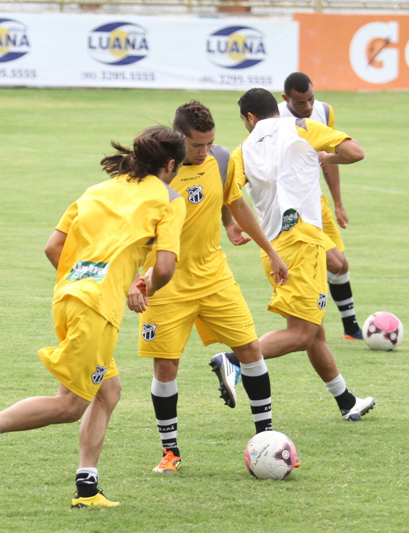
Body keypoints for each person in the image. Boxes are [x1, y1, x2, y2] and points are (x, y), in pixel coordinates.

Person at [0, 126, 188, 508]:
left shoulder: (97, 190)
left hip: (68, 298)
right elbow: (164, 266)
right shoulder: (167, 200)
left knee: (108, 391)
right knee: (70, 404)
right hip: (97, 310)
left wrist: (90, 280)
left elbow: (53, 247)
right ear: (171, 164)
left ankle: (87, 488)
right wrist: (144, 288)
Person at [128, 102, 288, 474]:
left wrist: (267, 248)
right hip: (164, 283)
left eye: (209, 143)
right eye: (195, 145)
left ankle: (265, 437)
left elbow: (235, 202)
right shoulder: (155, 175)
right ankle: (170, 452)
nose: (203, 151)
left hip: (214, 274)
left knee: (249, 348)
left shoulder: (219, 159)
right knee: (166, 366)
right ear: (176, 139)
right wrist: (132, 281)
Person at [222, 88, 375, 421]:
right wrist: (325, 157)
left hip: (273, 247)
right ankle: (234, 360)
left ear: (249, 118)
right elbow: (354, 152)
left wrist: (231, 226)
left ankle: (346, 401)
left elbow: (226, 191)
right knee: (302, 333)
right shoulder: (302, 127)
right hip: (304, 242)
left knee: (314, 332)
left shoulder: (242, 151)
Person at [279, 72, 363, 340]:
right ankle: (309, 325)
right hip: (293, 211)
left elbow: (327, 158)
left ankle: (350, 329)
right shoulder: (274, 119)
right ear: (286, 99)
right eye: (301, 102)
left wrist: (338, 203)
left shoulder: (324, 111)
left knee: (341, 266)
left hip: (317, 202)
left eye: (311, 99)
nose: (308, 107)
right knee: (334, 263)